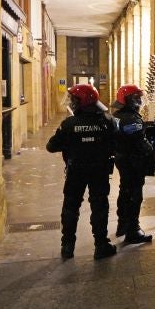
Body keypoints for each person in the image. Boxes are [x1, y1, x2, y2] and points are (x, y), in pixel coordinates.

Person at [46, 84, 118, 260]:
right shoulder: (107, 121)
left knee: (71, 206)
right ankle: (101, 245)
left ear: (82, 102)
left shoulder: (69, 124)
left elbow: (51, 146)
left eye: (73, 100)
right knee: (99, 206)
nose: (71, 103)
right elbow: (115, 144)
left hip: (75, 171)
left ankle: (67, 246)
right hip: (99, 171)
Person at [112, 84, 154, 244]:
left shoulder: (117, 115)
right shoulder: (131, 119)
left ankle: (122, 225)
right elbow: (140, 143)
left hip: (121, 158)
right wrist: (150, 147)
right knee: (135, 195)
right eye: (137, 98)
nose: (139, 101)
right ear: (129, 100)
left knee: (124, 191)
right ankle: (133, 231)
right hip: (133, 161)